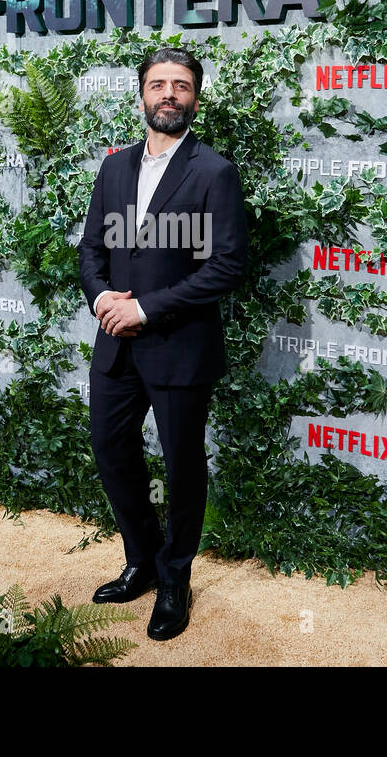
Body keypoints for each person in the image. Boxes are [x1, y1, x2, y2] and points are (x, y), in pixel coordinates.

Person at [77, 47, 249, 640]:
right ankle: (142, 559)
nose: (168, 94)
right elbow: (91, 250)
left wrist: (145, 309)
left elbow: (226, 267)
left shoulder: (214, 171)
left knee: (181, 465)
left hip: (178, 346)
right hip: (115, 344)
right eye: (158, 84)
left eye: (180, 85)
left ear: (195, 97)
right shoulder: (115, 168)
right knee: (110, 449)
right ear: (142, 95)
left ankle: (176, 577)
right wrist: (103, 299)